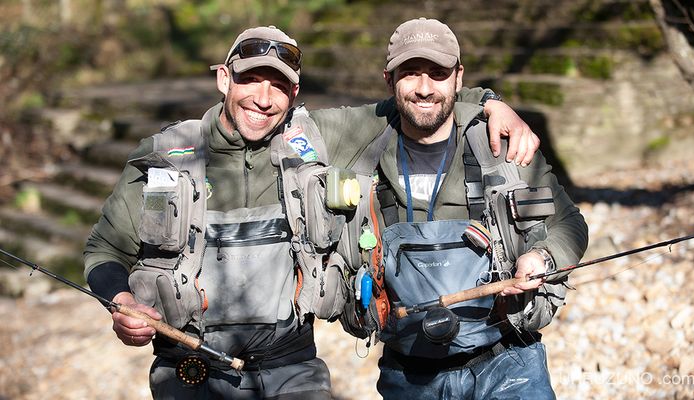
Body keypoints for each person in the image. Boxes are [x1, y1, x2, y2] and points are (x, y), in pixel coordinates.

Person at [83, 25, 541, 399]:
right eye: (250, 80)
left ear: (295, 92)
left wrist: (490, 102)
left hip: (292, 368)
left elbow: (421, 100)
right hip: (189, 365)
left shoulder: (316, 135)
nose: (264, 98)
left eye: (279, 85)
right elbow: (105, 248)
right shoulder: (166, 154)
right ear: (224, 78)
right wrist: (121, 301)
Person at [318, 18, 589, 399]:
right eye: (410, 73)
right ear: (388, 79)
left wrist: (543, 257)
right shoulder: (358, 135)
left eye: (439, 73)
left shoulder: (501, 145)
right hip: (408, 372)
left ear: (458, 78)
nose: (425, 88)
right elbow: (270, 117)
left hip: (508, 359)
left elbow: (571, 224)